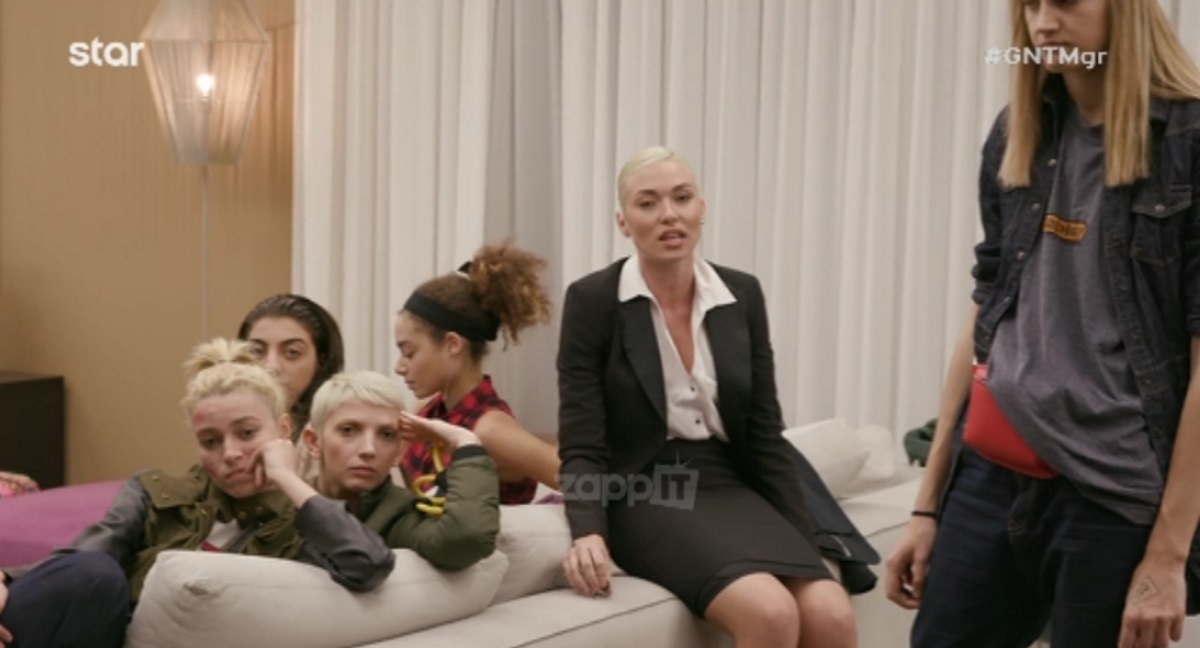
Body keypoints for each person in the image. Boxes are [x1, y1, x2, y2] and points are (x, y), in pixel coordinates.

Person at [885, 1, 1200, 647]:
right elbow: (987, 311)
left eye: (1065, 2)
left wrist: (1169, 554)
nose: (1044, 23)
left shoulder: (1188, 143)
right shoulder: (1018, 133)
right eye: (1030, 4)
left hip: (1113, 496)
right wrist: (928, 502)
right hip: (992, 474)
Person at [557, 146, 858, 648]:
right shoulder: (593, 301)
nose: (668, 214)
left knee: (832, 614)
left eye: (682, 198)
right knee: (769, 612)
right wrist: (588, 530)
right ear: (623, 222)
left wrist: (803, 534)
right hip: (646, 488)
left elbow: (764, 433)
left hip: (728, 481)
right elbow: (582, 440)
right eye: (647, 203)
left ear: (702, 208)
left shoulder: (741, 295)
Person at [0, 339, 394, 648]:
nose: (231, 453)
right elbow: (86, 558)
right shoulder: (154, 492)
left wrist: (287, 478)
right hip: (99, 636)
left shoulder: (307, 523)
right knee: (93, 573)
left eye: (247, 433)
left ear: (284, 429)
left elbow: (369, 564)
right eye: (210, 441)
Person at [394, 241, 560, 504]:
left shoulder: (490, 429)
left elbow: (585, 482)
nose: (399, 367)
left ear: (452, 345)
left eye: (409, 352)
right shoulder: (429, 408)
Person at [302, 370, 500, 569]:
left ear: (399, 451)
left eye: (387, 434)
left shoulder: (398, 515)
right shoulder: (288, 506)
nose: (369, 449)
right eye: (348, 430)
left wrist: (466, 443)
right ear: (314, 442)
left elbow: (466, 539)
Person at [238, 293, 346, 438]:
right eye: (257, 352)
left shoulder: (341, 434)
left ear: (321, 360)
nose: (271, 367)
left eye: (292, 352)